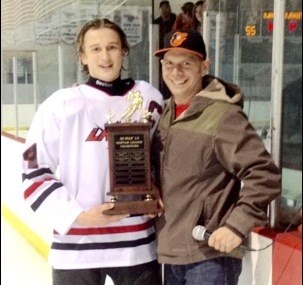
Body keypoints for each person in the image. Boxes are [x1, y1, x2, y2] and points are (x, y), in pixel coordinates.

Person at [21, 18, 163, 285]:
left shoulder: (149, 98)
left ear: (124, 51)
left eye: (112, 47)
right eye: (95, 49)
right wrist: (78, 216)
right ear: (83, 57)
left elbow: (161, 160)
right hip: (76, 248)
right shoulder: (59, 105)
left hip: (135, 248)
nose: (105, 56)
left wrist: (156, 187)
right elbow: (33, 171)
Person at [153, 29, 281, 284]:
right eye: (170, 64)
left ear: (204, 67)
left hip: (209, 257)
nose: (176, 72)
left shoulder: (223, 116)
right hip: (172, 253)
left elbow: (264, 174)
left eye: (186, 64)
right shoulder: (166, 113)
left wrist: (236, 225)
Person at [154, 0, 176, 100]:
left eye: (167, 7)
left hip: (173, 50)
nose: (165, 10)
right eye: (163, 8)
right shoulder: (156, 22)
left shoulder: (174, 19)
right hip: (159, 51)